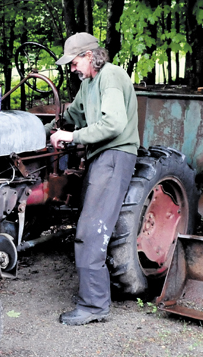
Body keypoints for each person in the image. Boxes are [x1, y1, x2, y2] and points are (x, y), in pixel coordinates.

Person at [44, 32, 140, 326]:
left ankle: (94, 305)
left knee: (91, 230)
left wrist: (72, 136)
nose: (71, 69)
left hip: (115, 155)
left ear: (89, 56)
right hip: (101, 158)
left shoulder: (110, 76)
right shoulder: (88, 84)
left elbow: (113, 123)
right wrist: (44, 127)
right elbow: (73, 113)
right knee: (87, 225)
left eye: (74, 63)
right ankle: (94, 298)